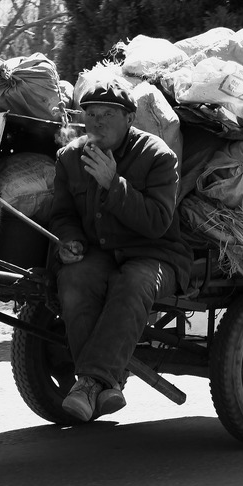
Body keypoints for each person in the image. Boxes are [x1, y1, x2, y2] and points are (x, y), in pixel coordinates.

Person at [49, 77, 192, 422]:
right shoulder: (69, 158)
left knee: (133, 284)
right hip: (99, 253)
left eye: (108, 114)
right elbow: (63, 214)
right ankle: (106, 385)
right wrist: (69, 241)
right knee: (74, 279)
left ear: (129, 119)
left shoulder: (158, 156)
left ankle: (90, 385)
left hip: (156, 254)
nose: (97, 122)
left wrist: (114, 184)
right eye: (91, 114)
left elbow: (158, 222)